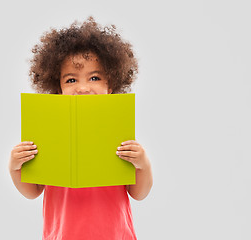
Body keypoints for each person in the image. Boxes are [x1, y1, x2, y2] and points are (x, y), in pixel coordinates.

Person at [9, 16, 153, 240]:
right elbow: (33, 192)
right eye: (71, 80)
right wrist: (15, 168)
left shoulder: (117, 130)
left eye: (94, 77)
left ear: (111, 84)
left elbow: (139, 193)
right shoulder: (49, 133)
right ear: (57, 88)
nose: (83, 88)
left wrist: (142, 164)